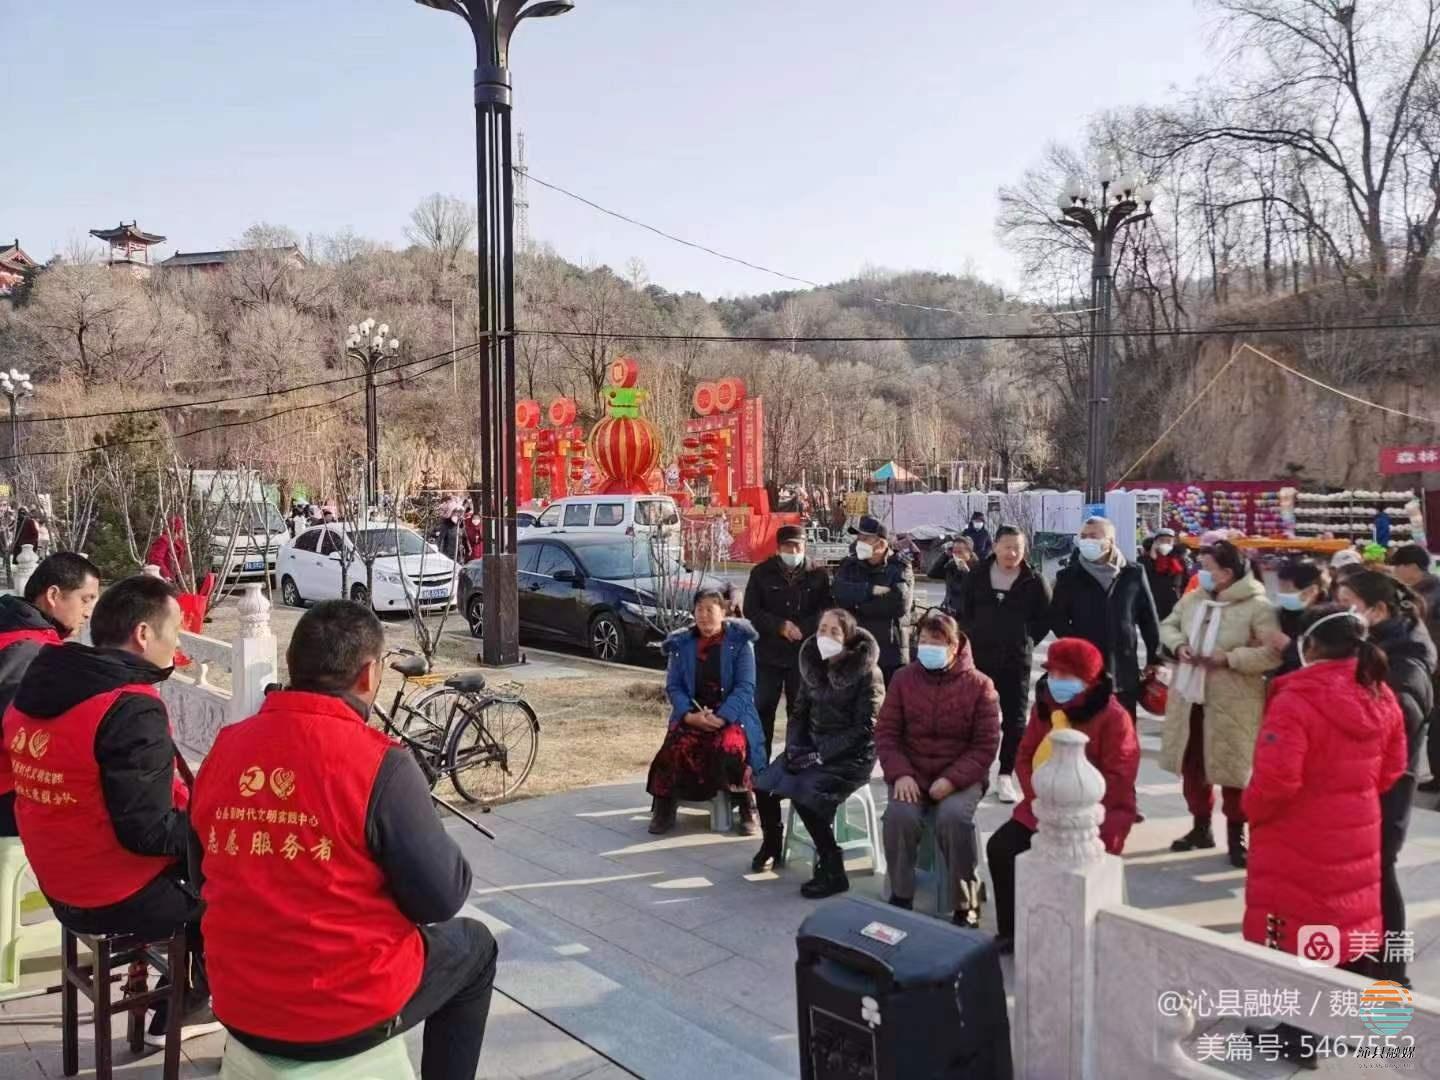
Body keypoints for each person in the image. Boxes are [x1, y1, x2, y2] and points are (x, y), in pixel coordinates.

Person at [192, 601, 492, 1080]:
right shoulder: (380, 763)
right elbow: (441, 898)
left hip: (236, 999)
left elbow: (199, 867)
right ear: (369, 674)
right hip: (341, 1011)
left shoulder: (227, 747)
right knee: (475, 948)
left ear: (293, 665)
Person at [2, 574, 216, 1041]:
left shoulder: (42, 679)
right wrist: (213, 829)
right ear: (143, 634)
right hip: (108, 893)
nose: (178, 645)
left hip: (56, 879)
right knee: (224, 895)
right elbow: (146, 831)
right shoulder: (129, 707)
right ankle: (182, 1010)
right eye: (175, 632)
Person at [1242, 607, 1406, 1067]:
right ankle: (1334, 1026)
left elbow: (1277, 782)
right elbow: (1393, 768)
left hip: (1300, 834)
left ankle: (1298, 1036)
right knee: (1343, 929)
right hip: (1356, 830)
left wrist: (1250, 810)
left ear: (1309, 646)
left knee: (1299, 933)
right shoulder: (1379, 692)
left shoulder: (1296, 699)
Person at [986, 638, 1139, 954]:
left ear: (1088, 678)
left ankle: (1074, 937)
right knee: (1001, 848)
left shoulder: (1114, 717)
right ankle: (1012, 931)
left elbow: (1119, 778)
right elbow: (1025, 756)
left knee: (1073, 870)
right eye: (1052, 673)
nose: (1056, 681)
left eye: (1065, 675)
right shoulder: (1044, 708)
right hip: (1042, 806)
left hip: (1095, 815)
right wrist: (1040, 798)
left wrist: (1073, 810)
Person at [1334, 571, 1435, 986]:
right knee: (1364, 876)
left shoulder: (1407, 655)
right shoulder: (1377, 641)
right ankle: (1362, 963)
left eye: (1349, 605)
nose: (1342, 612)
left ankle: (1392, 974)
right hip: (1366, 777)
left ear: (1377, 610)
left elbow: (1405, 711)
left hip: (1388, 781)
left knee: (1379, 872)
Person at [1158, 541, 1281, 867]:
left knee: (1232, 770)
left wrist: (1230, 658)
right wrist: (1179, 645)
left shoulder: (1257, 606)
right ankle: (1201, 828)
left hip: (1233, 701)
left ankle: (1237, 836)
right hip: (1190, 698)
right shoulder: (1194, 599)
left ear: (1226, 573)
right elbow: (1168, 625)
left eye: (1207, 567)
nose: (1201, 572)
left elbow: (1272, 653)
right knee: (1193, 767)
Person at [876, 611, 1000, 927]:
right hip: (912, 772)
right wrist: (901, 773)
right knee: (900, 816)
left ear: (955, 647)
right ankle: (901, 894)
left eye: (937, 642)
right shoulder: (903, 679)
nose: (929, 647)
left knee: (954, 819)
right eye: (924, 641)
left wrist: (952, 780)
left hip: (961, 777)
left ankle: (967, 902)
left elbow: (985, 746)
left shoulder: (980, 685)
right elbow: (887, 733)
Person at [754, 608, 884, 895]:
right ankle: (772, 845)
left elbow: (866, 728)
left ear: (848, 638)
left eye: (834, 631)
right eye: (822, 629)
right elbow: (799, 712)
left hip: (852, 757)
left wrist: (821, 754)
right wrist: (795, 747)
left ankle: (833, 867)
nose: (826, 636)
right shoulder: (813, 664)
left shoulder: (868, 673)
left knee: (806, 794)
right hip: (811, 747)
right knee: (764, 784)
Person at [742, 524, 832, 869]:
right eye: (788, 546)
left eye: (798, 546)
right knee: (762, 712)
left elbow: (826, 609)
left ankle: (797, 764)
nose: (793, 551)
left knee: (799, 713)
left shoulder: (818, 575)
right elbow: (752, 610)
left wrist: (803, 628)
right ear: (778, 547)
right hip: (769, 654)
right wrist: (779, 625)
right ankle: (759, 772)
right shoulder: (761, 573)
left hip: (803, 654)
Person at [646, 590, 767, 836]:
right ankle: (664, 808)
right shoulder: (681, 644)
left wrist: (722, 716)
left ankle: (746, 805)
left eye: (710, 609)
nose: (703, 615)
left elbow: (746, 687)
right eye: (699, 609)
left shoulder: (741, 643)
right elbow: (674, 686)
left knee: (731, 745)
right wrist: (689, 715)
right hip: (693, 713)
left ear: (723, 612)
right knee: (674, 748)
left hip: (733, 715)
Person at [0, 553, 102, 836]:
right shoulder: (31, 650)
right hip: (9, 790)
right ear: (54, 595)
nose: (88, 612)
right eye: (85, 599)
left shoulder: (11, 629)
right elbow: (19, 730)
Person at [955, 526, 1051, 804]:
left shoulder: (1034, 581)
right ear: (995, 546)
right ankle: (974, 770)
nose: (1012, 553)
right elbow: (964, 611)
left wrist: (1026, 640)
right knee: (974, 716)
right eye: (1007, 546)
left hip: (1015, 660)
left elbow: (1045, 617)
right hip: (979, 659)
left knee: (1015, 719)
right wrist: (973, 636)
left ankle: (1006, 774)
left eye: (1018, 548)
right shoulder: (977, 575)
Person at [1050, 516, 1162, 719]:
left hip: (1124, 669)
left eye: (1093, 536)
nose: (1086, 541)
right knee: (1087, 726)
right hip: (1085, 670)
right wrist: (1077, 647)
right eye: (1083, 536)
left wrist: (1155, 658)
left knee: (1123, 728)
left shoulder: (1133, 573)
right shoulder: (1069, 577)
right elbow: (1057, 618)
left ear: (1110, 541)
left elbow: (1148, 618)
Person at [833, 515, 914, 685]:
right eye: (858, 538)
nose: (859, 542)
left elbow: (899, 604)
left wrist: (857, 604)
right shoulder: (850, 565)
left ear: (881, 544)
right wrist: (870, 590)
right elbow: (839, 592)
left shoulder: (900, 567)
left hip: (889, 653)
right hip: (855, 649)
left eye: (865, 539)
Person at [1387, 544, 1440, 793]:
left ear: (1412, 567)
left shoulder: (1431, 595)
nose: (1395, 571)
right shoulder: (1415, 592)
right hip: (1426, 668)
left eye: (1398, 566)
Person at [1265, 559, 1328, 677]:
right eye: (1280, 587)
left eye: (1287, 588)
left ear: (1311, 590)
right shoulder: (1282, 614)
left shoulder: (1329, 620)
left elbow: (1324, 662)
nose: (1281, 593)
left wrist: (1289, 647)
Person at [1141, 529, 1189, 621]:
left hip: (1172, 601)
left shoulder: (1179, 560)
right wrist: (1152, 556)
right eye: (1161, 540)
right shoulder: (1145, 559)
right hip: (1152, 601)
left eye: (1169, 541)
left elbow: (1185, 580)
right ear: (1155, 542)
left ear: (1173, 542)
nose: (1165, 543)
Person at [940, 536, 976, 617]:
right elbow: (932, 573)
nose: (956, 556)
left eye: (960, 552)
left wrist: (966, 572)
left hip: (967, 614)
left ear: (969, 552)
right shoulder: (951, 566)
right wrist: (945, 555)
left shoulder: (977, 567)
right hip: (950, 611)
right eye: (954, 552)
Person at [145, 516, 189, 582]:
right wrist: (167, 575)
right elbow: (156, 559)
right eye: (181, 530)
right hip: (162, 578)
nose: (182, 532)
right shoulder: (164, 540)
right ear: (177, 529)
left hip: (173, 579)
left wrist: (180, 576)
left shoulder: (178, 543)